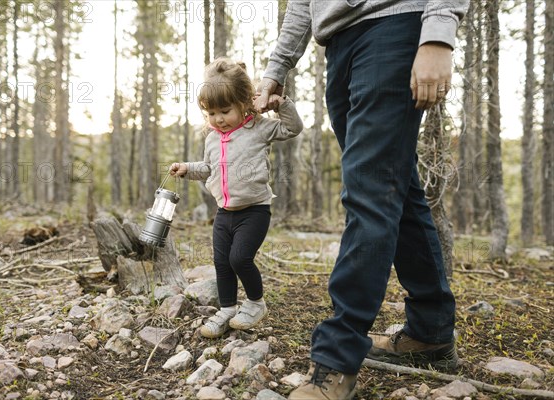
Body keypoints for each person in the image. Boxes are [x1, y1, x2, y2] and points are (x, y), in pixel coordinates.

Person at [254, 1, 469, 399]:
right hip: (339, 45)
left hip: (396, 26)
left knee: (368, 193)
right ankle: (431, 332)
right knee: (395, 189)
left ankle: (336, 360)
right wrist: (276, 69)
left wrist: (438, 32)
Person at [170, 58, 303, 339]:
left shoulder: (259, 128)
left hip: (254, 210)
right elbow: (207, 169)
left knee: (240, 258)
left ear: (244, 102)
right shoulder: (212, 139)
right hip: (224, 213)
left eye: (225, 111)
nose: (218, 119)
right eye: (211, 113)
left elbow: (292, 129)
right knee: (222, 262)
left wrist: (282, 105)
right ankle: (228, 309)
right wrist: (187, 169)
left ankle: (256, 303)